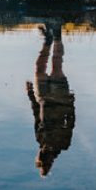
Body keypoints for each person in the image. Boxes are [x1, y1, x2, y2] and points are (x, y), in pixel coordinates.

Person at [25, 22, 75, 177]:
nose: (41, 151)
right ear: (50, 160)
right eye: (43, 156)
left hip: (43, 99)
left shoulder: (40, 139)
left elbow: (36, 116)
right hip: (60, 99)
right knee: (56, 65)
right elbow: (71, 122)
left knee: (39, 68)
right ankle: (57, 37)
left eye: (40, 154)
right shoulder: (63, 144)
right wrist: (71, 103)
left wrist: (31, 94)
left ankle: (48, 39)